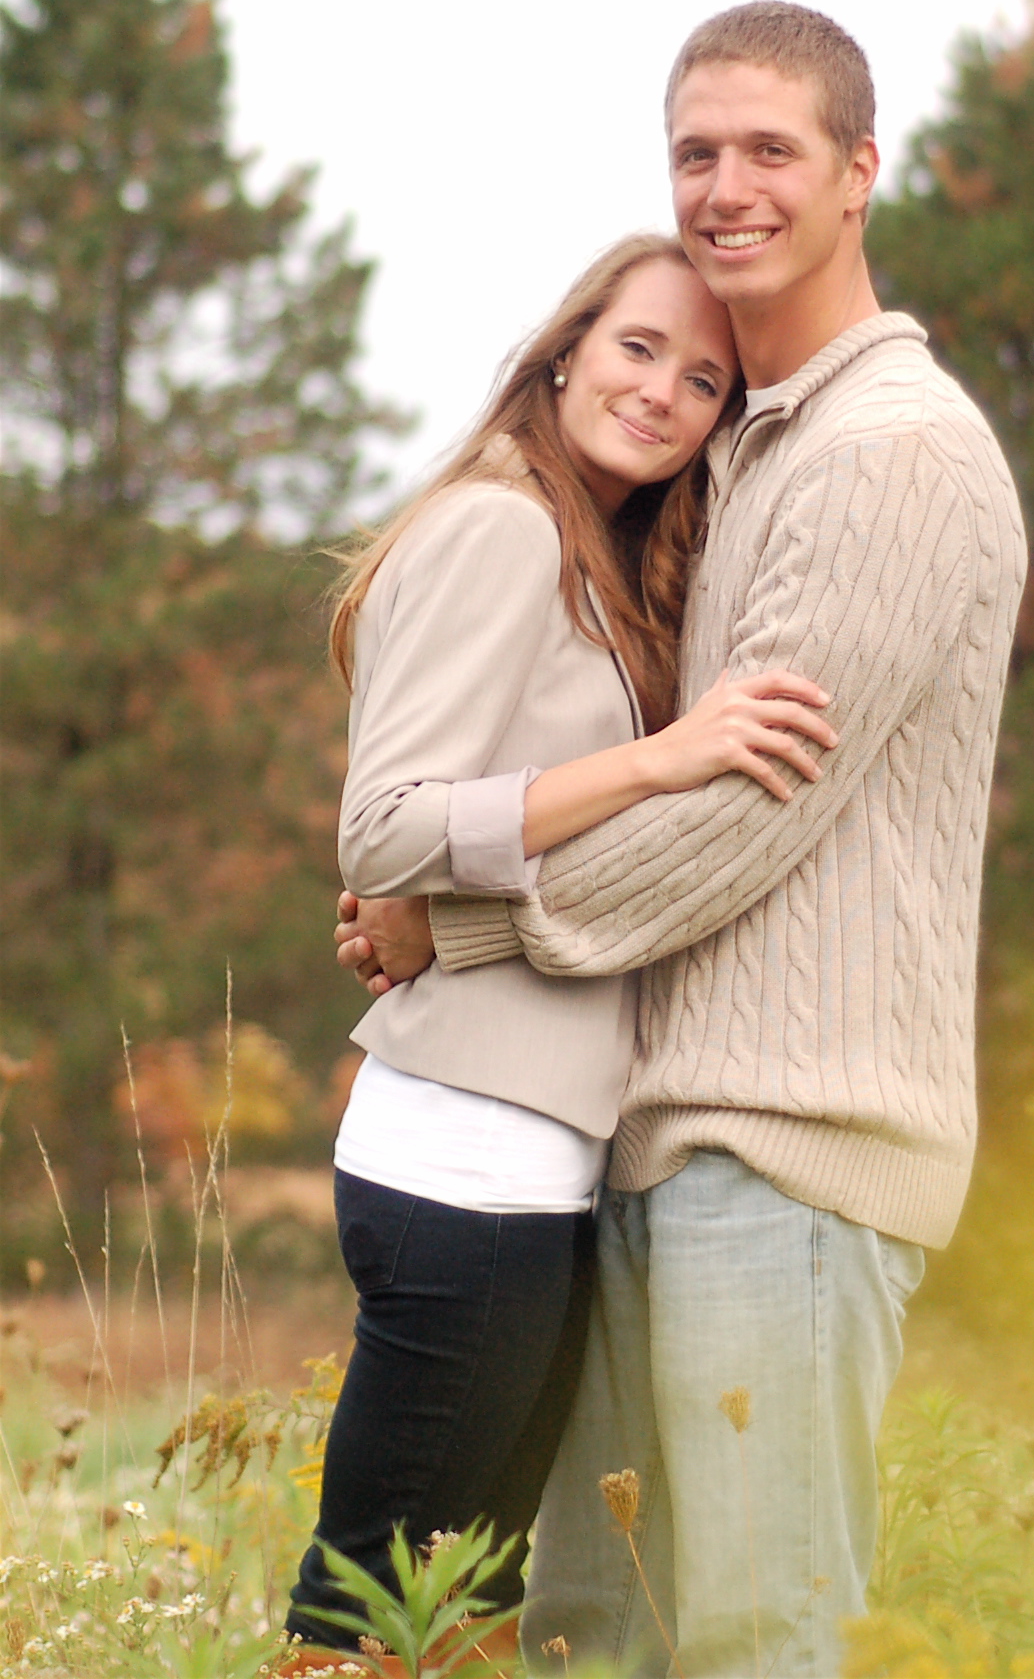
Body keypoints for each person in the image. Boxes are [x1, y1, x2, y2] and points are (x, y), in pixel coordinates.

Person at [339, 2, 1026, 1679]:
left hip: (791, 1145)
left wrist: (456, 924)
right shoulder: (749, 453)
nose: (727, 187)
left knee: (749, 1640)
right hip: (646, 1141)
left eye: (770, 149)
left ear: (859, 172)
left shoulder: (891, 453)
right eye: (695, 152)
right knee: (593, 1636)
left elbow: (731, 817)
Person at [281, 231, 837, 1676]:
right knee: (373, 1607)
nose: (661, 393)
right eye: (637, 348)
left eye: (702, 380)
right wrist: (664, 758)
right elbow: (385, 829)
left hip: (526, 1161)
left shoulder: (597, 554)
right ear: (566, 350)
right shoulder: (504, 526)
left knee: (462, 1606)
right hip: (462, 1158)